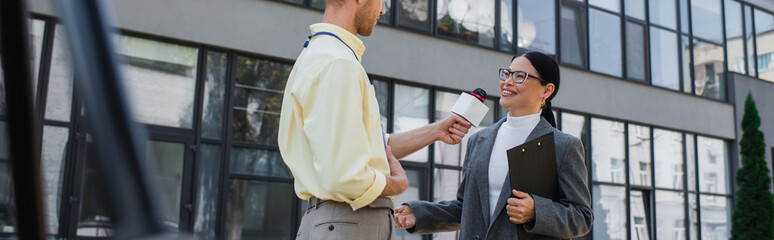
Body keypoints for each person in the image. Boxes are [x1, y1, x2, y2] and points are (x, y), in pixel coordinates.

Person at [277, 0, 472, 239]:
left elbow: (370, 148)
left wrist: (436, 131)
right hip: (350, 222)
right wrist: (396, 184)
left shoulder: (320, 55)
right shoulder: (339, 63)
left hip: (337, 221)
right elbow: (345, 175)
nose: (383, 10)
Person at [393, 51, 593, 239]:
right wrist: (420, 214)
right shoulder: (479, 140)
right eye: (507, 74)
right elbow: (467, 208)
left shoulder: (564, 146)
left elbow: (582, 217)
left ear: (547, 90)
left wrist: (536, 211)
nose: (507, 81)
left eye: (519, 76)